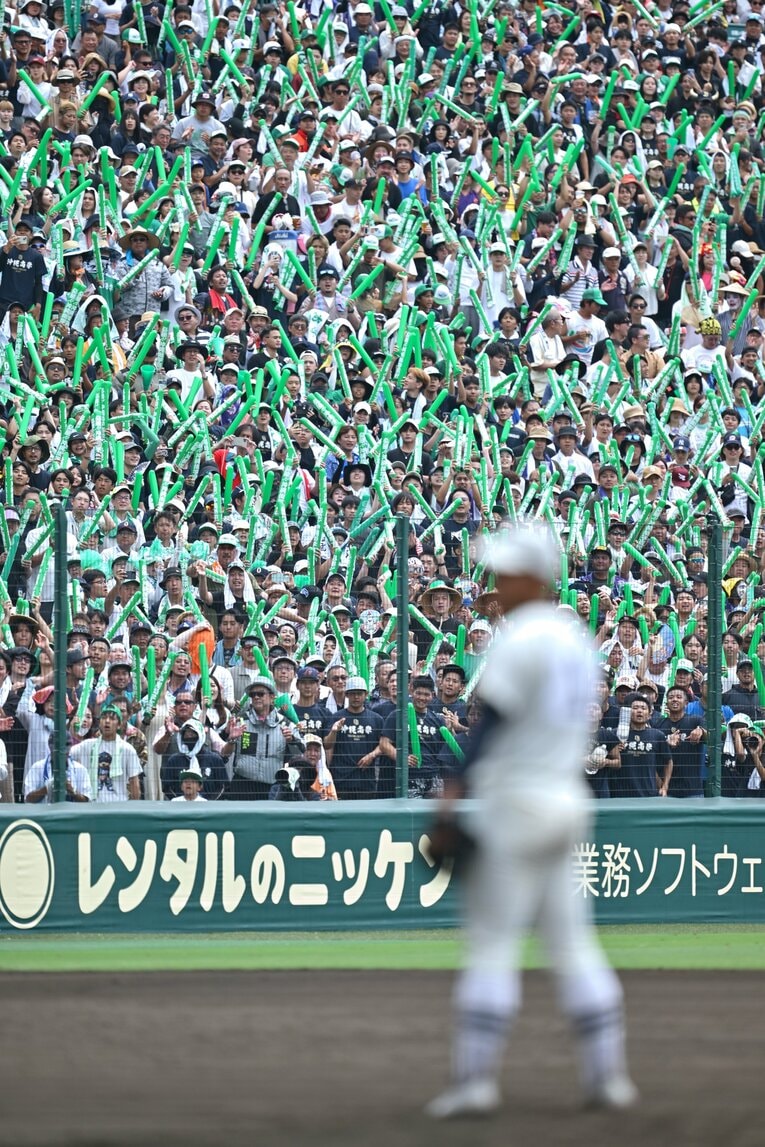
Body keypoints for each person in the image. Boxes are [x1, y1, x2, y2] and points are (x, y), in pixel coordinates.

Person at [426, 525, 635, 1119]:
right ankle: (608, 1078)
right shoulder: (575, 639)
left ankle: (474, 1083)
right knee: (574, 946)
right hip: (567, 800)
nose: (495, 584)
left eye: (505, 573)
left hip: (516, 802)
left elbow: (489, 726)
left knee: (493, 944)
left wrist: (449, 799)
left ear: (532, 577)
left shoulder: (522, 640)